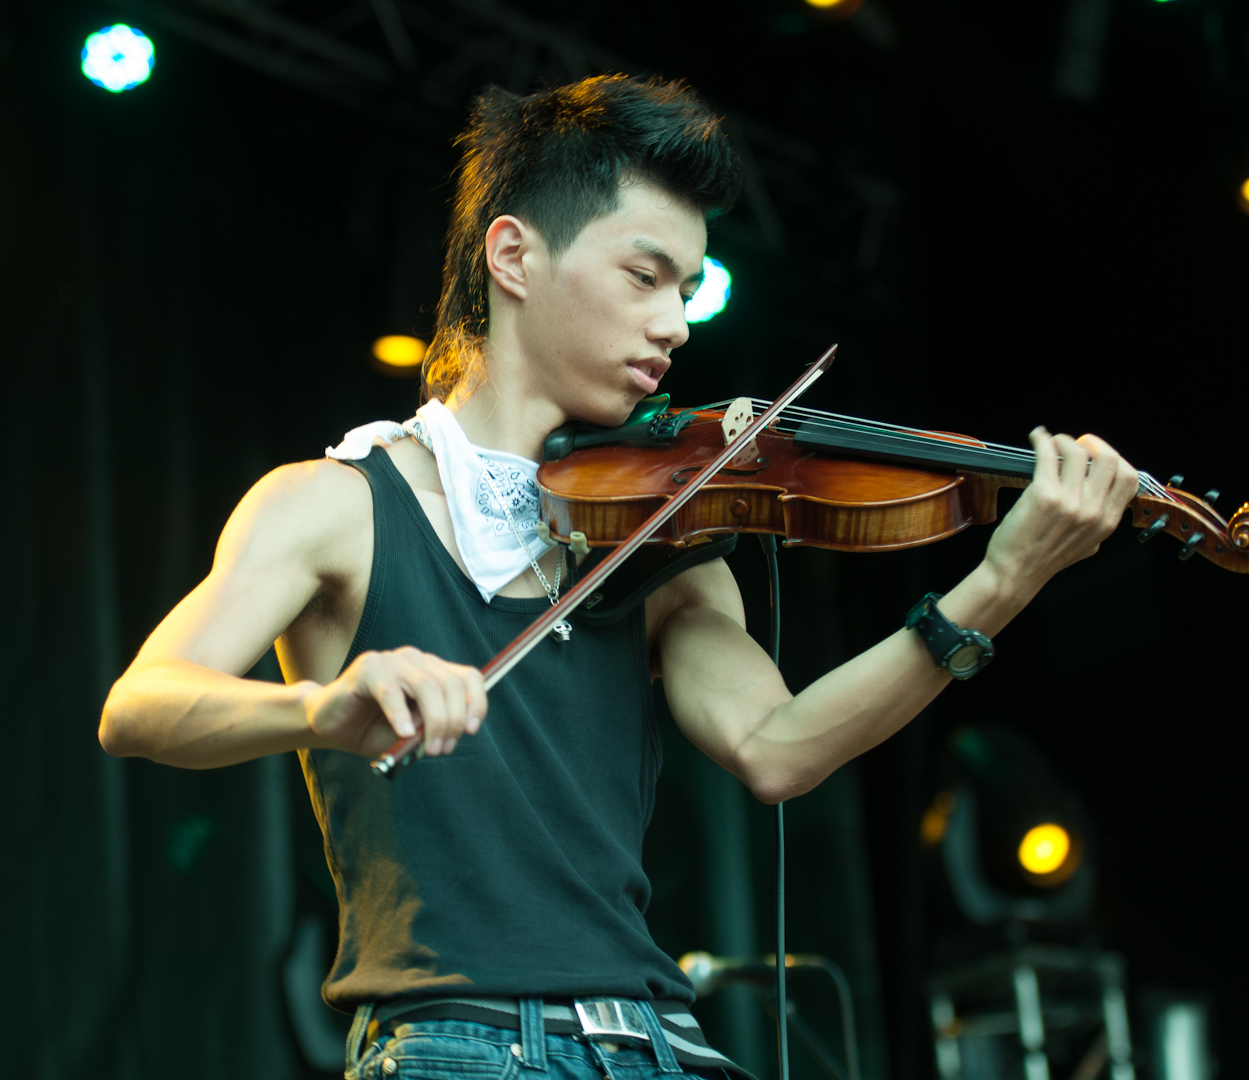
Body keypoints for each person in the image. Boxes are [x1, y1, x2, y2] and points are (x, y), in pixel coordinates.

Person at [99, 75, 1139, 1080]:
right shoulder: (328, 503)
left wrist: (999, 584)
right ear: (513, 254)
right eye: (645, 277)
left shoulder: (666, 536)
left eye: (687, 289)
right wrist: (322, 709)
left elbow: (777, 750)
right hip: (458, 1047)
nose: (678, 323)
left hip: (658, 1044)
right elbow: (143, 704)